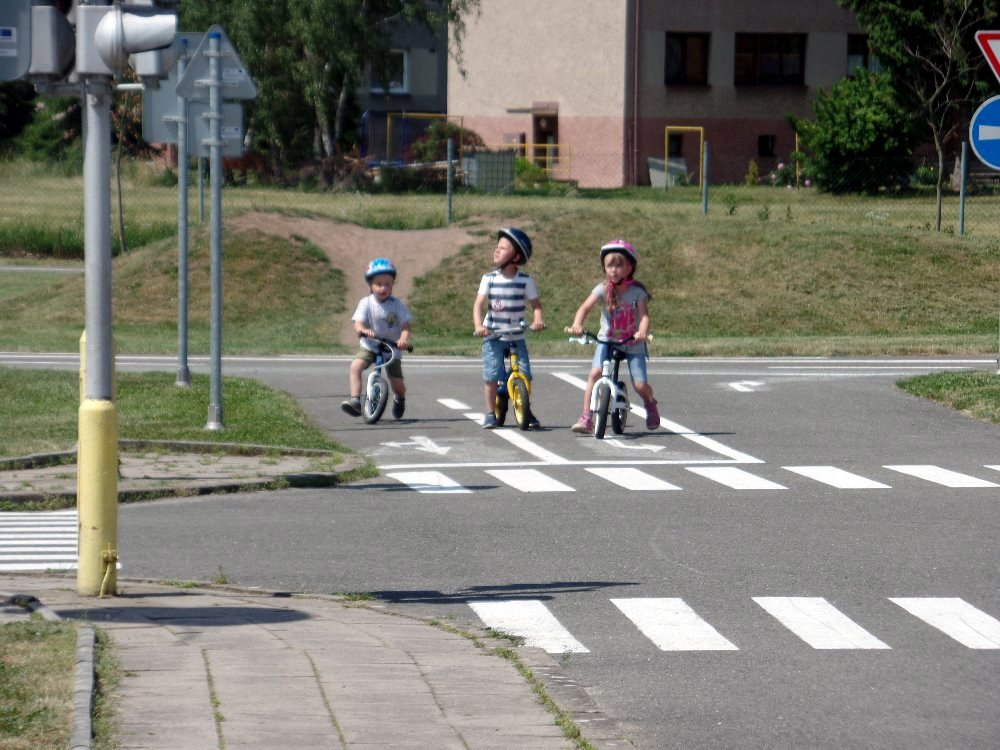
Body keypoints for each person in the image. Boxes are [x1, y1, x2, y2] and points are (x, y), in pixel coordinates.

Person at [568, 239, 659, 433]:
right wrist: (577, 324)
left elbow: (644, 316)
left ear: (629, 268)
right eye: (610, 265)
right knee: (594, 374)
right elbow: (584, 308)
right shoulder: (602, 289)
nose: (614, 270)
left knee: (640, 385)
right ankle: (586, 417)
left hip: (633, 342)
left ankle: (650, 403)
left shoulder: (637, 292)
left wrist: (642, 331)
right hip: (607, 341)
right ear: (604, 268)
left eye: (619, 265)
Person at [473, 227, 545, 429]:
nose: (497, 250)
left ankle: (525, 409)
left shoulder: (525, 281)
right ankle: (490, 413)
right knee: (492, 375)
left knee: (525, 374)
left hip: (516, 335)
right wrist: (479, 325)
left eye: (503, 248)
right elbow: (478, 304)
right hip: (493, 335)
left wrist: (538, 320)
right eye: (497, 246)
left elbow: (536, 305)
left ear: (516, 257)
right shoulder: (489, 278)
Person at [341, 257, 411, 419]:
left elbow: (406, 326)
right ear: (370, 285)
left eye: (387, 284)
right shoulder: (366, 303)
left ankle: (399, 399)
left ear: (392, 285)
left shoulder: (396, 305)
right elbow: (358, 322)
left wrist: (403, 339)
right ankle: (355, 401)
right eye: (379, 284)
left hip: (391, 349)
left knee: (398, 385)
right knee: (355, 367)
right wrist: (363, 330)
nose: (383, 288)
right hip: (370, 345)